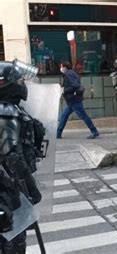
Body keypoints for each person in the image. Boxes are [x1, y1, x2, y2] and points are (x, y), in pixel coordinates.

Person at [0, 59, 44, 253]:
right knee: (13, 241)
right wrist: (31, 188)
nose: (23, 84)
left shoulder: (10, 108)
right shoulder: (5, 112)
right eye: (19, 80)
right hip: (6, 189)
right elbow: (12, 157)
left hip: (7, 187)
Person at [56, 61, 99, 139]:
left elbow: (75, 85)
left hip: (74, 100)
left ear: (65, 67)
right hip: (72, 100)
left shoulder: (68, 75)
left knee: (83, 116)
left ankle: (94, 131)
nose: (60, 68)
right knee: (64, 116)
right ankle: (58, 133)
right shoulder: (71, 73)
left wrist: (64, 90)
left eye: (61, 67)